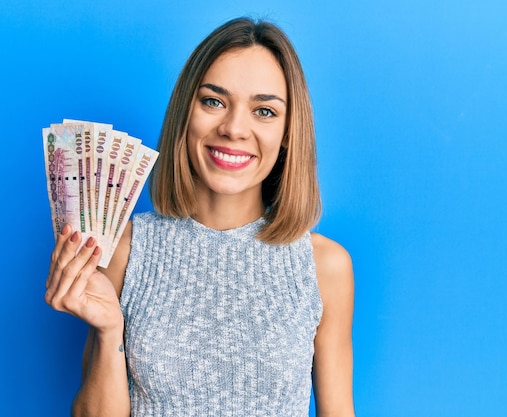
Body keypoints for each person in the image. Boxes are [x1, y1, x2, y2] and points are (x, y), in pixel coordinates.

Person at [45, 17, 355, 417]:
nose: (234, 128)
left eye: (263, 111)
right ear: (185, 113)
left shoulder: (325, 267)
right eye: (214, 101)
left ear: (288, 133)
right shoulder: (124, 250)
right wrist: (109, 334)